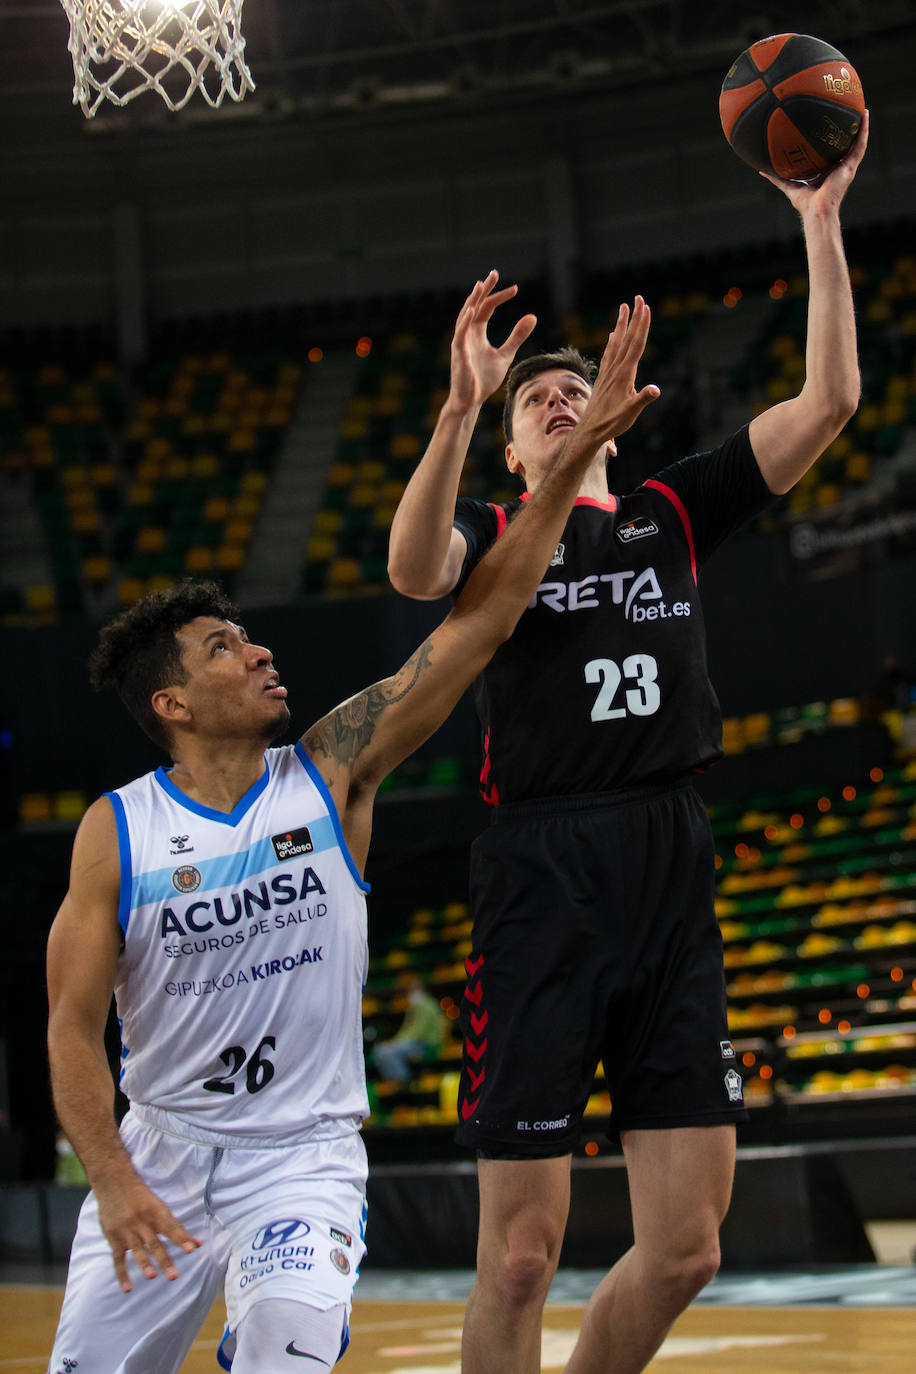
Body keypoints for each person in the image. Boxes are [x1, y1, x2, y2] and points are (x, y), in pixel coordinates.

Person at [44, 293, 659, 1374]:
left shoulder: (332, 768)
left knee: (286, 1351)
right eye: (226, 648)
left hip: (304, 1160)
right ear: (172, 706)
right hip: (162, 1156)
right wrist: (112, 1179)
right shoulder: (119, 832)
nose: (259, 653)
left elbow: (479, 622)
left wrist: (544, 453)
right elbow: (70, 1026)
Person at [387, 117, 868, 1374]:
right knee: (517, 1257)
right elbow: (406, 567)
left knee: (687, 1246)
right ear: (513, 442)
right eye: (536, 401)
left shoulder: (669, 512)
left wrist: (817, 228)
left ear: (617, 415)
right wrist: (457, 411)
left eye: (573, 392)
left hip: (668, 860)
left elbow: (829, 404)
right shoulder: (496, 528)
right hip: (542, 874)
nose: (559, 403)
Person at [372, 977, 447, 1084]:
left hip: (425, 1044)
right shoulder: (414, 1007)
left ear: (421, 989)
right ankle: (394, 1082)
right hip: (412, 1042)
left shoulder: (428, 1005)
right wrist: (395, 1041)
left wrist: (396, 1042)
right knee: (379, 1051)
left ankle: (403, 1082)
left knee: (384, 1052)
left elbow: (419, 1032)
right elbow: (406, 1029)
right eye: (409, 990)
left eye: (413, 990)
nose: (410, 993)